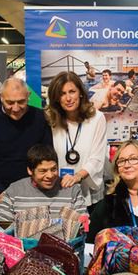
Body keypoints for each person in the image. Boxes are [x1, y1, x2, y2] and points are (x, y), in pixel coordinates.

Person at [0, 77, 53, 213]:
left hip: (33, 195)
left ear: (28, 97)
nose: (15, 108)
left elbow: (46, 157)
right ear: (1, 97)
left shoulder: (39, 118)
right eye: (10, 103)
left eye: (21, 102)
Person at [45, 71, 107, 210]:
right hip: (58, 192)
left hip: (89, 194)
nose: (68, 98)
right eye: (62, 93)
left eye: (72, 91)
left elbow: (97, 158)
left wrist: (78, 176)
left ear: (80, 93)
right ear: (56, 98)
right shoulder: (50, 120)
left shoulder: (97, 118)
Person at [0, 144, 87, 222]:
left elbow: (85, 225)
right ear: (30, 170)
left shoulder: (72, 190)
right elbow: (1, 227)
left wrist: (84, 223)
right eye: (43, 171)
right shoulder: (14, 191)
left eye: (53, 169)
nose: (50, 175)